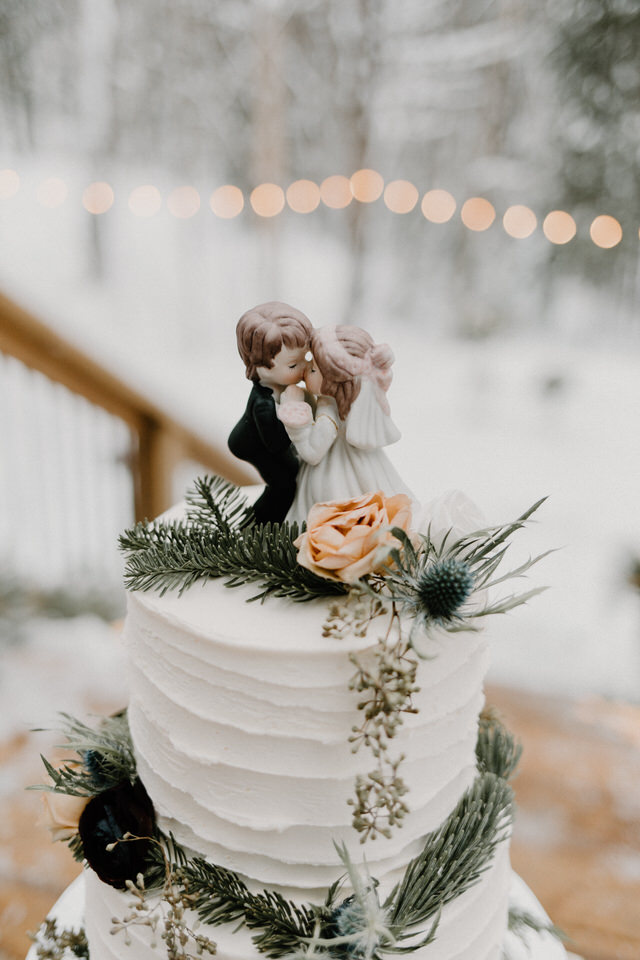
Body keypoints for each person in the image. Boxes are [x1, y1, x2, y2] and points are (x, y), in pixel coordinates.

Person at [278, 324, 414, 526]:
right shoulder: (349, 411)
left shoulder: (329, 412)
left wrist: (295, 419)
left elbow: (312, 453)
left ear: (334, 383)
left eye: (314, 369)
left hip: (329, 478)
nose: (306, 370)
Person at [228, 301, 312, 523]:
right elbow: (277, 444)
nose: (304, 368)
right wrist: (296, 418)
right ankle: (257, 527)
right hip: (253, 444)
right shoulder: (263, 405)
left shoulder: (282, 386)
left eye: (307, 358)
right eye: (294, 365)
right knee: (283, 484)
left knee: (293, 473)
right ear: (263, 367)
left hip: (268, 438)